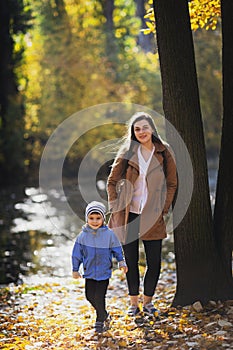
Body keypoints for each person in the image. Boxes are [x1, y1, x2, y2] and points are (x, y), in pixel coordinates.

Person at [107, 112, 177, 317]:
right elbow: (112, 182)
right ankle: (133, 304)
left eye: (144, 127)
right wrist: (116, 205)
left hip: (153, 215)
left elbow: (172, 183)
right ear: (133, 132)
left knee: (154, 262)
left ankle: (148, 303)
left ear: (152, 129)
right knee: (130, 262)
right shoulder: (127, 152)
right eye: (137, 129)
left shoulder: (164, 153)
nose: (141, 132)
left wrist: (164, 208)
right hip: (130, 214)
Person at [72, 201, 128, 333]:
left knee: (99, 296)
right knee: (89, 296)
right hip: (89, 272)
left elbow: (116, 248)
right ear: (87, 219)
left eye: (98, 218)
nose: (95, 221)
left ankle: (99, 320)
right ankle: (105, 314)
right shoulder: (83, 236)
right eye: (91, 218)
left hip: (104, 272)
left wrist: (121, 261)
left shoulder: (109, 234)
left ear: (103, 218)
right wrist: (75, 269)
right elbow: (76, 254)